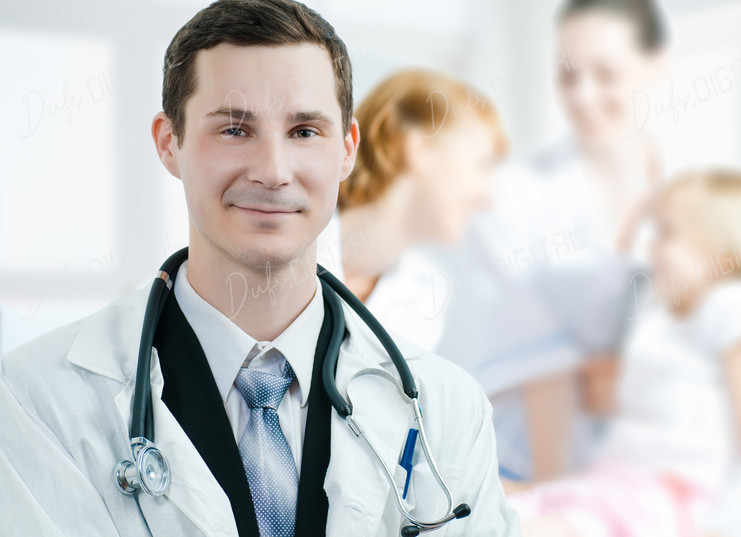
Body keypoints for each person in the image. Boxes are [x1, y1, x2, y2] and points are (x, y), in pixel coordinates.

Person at [0, 1, 518, 535]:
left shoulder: (446, 411)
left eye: (304, 132)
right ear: (168, 143)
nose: (273, 171)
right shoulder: (39, 402)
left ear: (347, 150)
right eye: (233, 130)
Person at [434, 0, 670, 489]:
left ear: (655, 66)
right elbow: (538, 364)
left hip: (653, 478)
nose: (583, 96)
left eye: (606, 74)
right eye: (567, 76)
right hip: (535, 473)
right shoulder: (512, 198)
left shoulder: (693, 197)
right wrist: (556, 503)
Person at [512, 168, 741, 537]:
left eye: (668, 233)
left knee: (541, 529)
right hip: (607, 484)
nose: (652, 247)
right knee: (501, 515)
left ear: (726, 256)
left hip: (659, 495)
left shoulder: (733, 306)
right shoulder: (660, 316)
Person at [317, 69, 508, 351]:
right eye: (481, 165)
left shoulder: (428, 295)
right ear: (419, 148)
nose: (487, 198)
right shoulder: (290, 241)